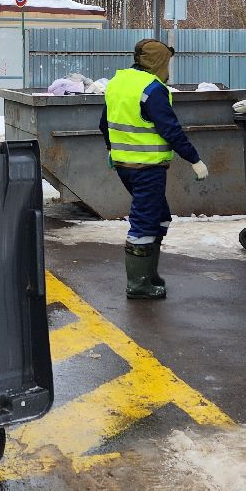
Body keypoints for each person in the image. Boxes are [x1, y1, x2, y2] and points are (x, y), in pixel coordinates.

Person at [99, 39, 208, 300]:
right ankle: (138, 285)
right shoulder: (152, 88)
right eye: (167, 62)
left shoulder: (117, 83)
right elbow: (170, 130)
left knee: (159, 217)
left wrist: (111, 149)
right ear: (158, 62)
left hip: (124, 166)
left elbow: (104, 123)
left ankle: (149, 275)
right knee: (145, 222)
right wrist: (194, 159)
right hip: (147, 168)